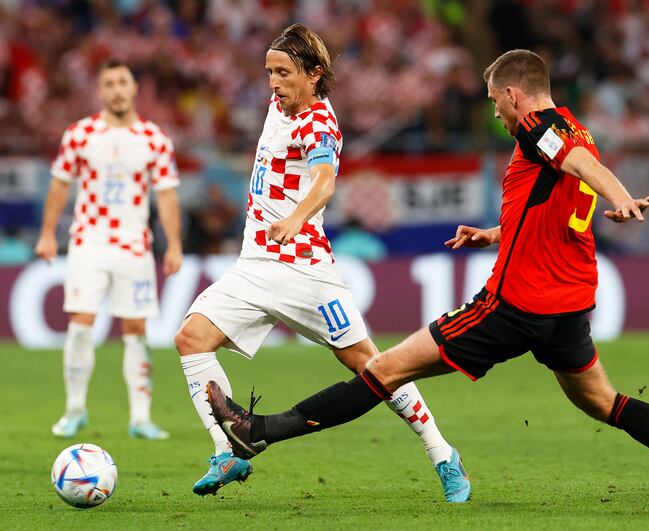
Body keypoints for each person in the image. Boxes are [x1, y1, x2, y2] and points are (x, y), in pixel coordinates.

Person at [207, 49, 649, 505]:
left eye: (496, 102)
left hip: (515, 305)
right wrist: (495, 233)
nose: (496, 114)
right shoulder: (575, 130)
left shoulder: (540, 127)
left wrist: (620, 197)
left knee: (386, 369)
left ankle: (259, 434)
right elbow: (557, 203)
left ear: (515, 95)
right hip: (567, 308)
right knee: (604, 401)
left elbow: (584, 169)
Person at [173, 24, 469, 502]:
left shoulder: (320, 124)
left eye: (284, 73)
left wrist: (294, 217)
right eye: (269, 72)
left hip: (306, 269)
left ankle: (442, 453)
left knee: (372, 367)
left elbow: (325, 181)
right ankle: (225, 452)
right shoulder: (278, 105)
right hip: (254, 264)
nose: (273, 82)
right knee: (191, 338)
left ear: (314, 75)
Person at [35, 59, 183, 440]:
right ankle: (74, 409)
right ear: (100, 91)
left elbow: (166, 196)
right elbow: (59, 185)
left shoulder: (154, 139)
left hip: (135, 245)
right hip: (89, 242)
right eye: (109, 84)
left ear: (134, 88)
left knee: (136, 328)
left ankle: (140, 416)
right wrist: (48, 233)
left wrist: (174, 244)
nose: (117, 89)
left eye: (123, 82)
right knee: (81, 324)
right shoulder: (80, 135)